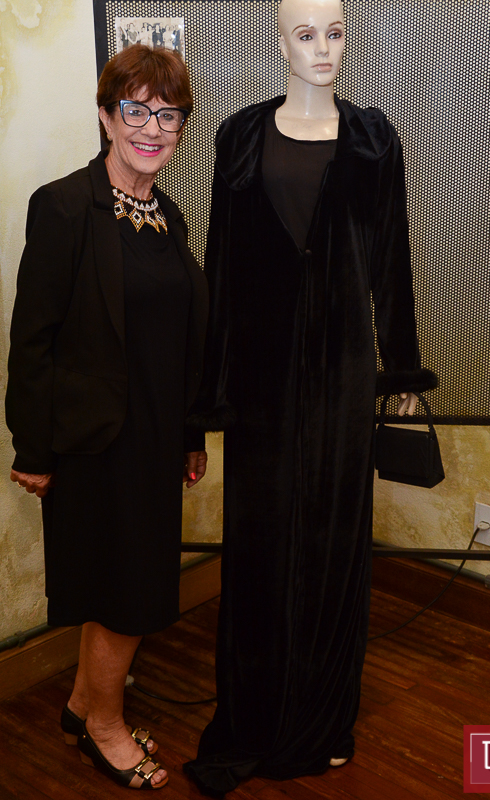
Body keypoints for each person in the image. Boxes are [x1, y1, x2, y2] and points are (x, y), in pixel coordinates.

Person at [183, 0, 436, 794]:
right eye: (305, 33)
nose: (322, 48)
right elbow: (222, 266)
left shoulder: (372, 139)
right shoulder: (239, 136)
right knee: (258, 546)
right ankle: (255, 715)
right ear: (279, 43)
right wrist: (208, 394)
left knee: (331, 548)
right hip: (258, 382)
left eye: (334, 32)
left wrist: (400, 371)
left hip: (340, 372)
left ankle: (323, 719)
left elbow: (390, 260)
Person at [6, 44, 208, 791]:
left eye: (168, 114)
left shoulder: (169, 217)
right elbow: (33, 340)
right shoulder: (64, 207)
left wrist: (189, 433)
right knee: (125, 594)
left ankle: (79, 705)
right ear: (105, 116)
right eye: (136, 110)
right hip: (95, 442)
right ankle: (105, 727)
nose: (152, 128)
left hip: (153, 439)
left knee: (122, 585)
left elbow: (180, 340)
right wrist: (33, 449)